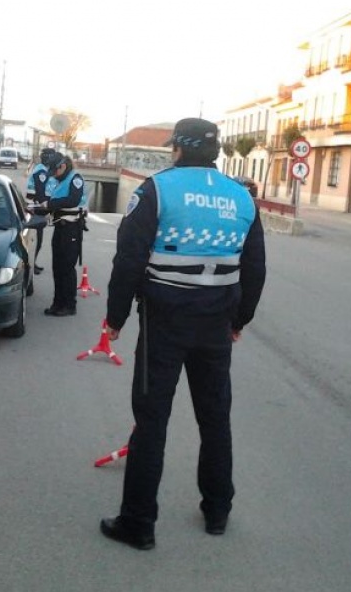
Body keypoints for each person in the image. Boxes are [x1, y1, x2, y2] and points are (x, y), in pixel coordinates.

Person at [99, 117, 267, 550]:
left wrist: (115, 318)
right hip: (216, 321)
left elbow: (129, 260)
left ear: (178, 148)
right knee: (215, 417)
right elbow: (255, 268)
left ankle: (138, 523)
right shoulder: (241, 197)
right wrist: (239, 321)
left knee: (152, 418)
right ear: (215, 152)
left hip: (165, 319)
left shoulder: (156, 190)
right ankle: (217, 511)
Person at [39, 151, 86, 316]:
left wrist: (50, 204)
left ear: (63, 166)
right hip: (60, 228)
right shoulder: (61, 180)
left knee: (67, 267)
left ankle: (69, 304)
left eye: (55, 171)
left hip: (71, 228)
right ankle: (57, 302)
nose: (54, 175)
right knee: (57, 267)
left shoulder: (75, 179)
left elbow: (73, 200)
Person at [26, 150, 57, 275]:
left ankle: (33, 263)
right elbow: (40, 192)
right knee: (37, 240)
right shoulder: (41, 172)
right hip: (37, 208)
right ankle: (31, 264)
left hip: (39, 208)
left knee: (38, 239)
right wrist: (47, 206)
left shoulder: (44, 170)